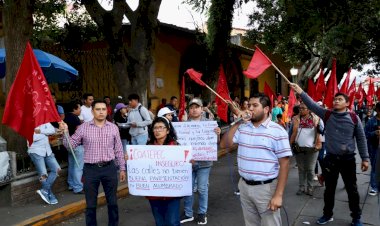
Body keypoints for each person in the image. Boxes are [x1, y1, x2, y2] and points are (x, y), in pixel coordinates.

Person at [290, 83, 369, 226]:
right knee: (329, 190)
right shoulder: (327, 114)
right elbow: (312, 105)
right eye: (335, 99)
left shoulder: (353, 118)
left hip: (348, 159)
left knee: (352, 190)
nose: (336, 101)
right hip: (331, 159)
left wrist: (365, 158)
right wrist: (301, 91)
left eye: (340, 99)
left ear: (347, 103)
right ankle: (327, 215)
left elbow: (361, 138)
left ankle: (356, 217)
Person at [220, 93, 292, 226]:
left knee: (270, 223)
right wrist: (238, 123)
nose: (250, 109)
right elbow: (224, 144)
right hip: (244, 186)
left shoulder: (277, 131)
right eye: (249, 105)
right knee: (251, 223)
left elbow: (285, 163)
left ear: (266, 109)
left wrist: (278, 195)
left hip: (266, 188)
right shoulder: (242, 127)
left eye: (255, 105)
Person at [61, 100, 126, 226]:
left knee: (112, 202)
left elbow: (118, 149)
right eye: (98, 109)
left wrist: (122, 168)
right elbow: (71, 145)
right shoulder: (83, 127)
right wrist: (65, 132)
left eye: (103, 109)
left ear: (107, 111)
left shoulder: (113, 128)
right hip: (91, 170)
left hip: (109, 168)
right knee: (90, 205)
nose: (101, 112)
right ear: (92, 111)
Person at [180, 98, 221, 225]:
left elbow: (216, 142)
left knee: (202, 189)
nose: (194, 109)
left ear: (202, 108)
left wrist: (218, 134)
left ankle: (202, 213)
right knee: (188, 189)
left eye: (196, 107)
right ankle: (188, 213)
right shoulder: (184, 125)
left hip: (204, 163)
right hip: (189, 163)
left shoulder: (210, 124)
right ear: (189, 110)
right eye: (191, 107)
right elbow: (180, 144)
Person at [146, 117, 182, 226]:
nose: (157, 130)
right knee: (159, 222)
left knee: (172, 222)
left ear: (167, 130)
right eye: (155, 128)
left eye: (161, 127)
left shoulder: (176, 146)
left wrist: (190, 162)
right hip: (154, 194)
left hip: (172, 194)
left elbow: (184, 167)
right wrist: (131, 159)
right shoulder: (147, 148)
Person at [289, 103, 321, 196]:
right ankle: (301, 187)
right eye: (300, 108)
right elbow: (291, 132)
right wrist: (290, 145)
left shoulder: (316, 118)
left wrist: (318, 125)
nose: (301, 110)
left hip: (313, 149)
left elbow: (321, 131)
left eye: (303, 108)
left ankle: (310, 188)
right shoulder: (295, 119)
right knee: (301, 169)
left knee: (310, 170)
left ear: (309, 109)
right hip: (299, 148)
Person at [28, 123, 61, 205]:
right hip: (36, 150)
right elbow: (33, 138)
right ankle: (49, 193)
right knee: (43, 174)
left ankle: (45, 190)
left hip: (47, 150)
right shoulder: (28, 123)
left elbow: (53, 130)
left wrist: (40, 131)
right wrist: (46, 133)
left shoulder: (46, 121)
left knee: (57, 169)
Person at [64, 101, 84, 194]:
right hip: (77, 145)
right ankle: (78, 187)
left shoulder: (65, 117)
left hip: (69, 145)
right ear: (74, 109)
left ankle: (71, 184)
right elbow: (80, 132)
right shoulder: (75, 118)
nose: (80, 110)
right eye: (79, 108)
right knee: (78, 166)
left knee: (72, 165)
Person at [364, 102, 380, 196]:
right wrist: (374, 133)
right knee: (375, 167)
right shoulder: (371, 121)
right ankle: (374, 187)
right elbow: (365, 134)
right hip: (374, 148)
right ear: (377, 110)